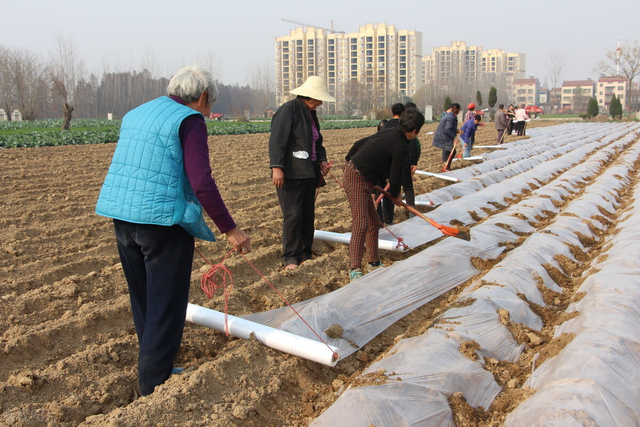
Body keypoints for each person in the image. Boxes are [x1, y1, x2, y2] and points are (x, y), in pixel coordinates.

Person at [95, 64, 251, 397]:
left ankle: (154, 367)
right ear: (203, 96)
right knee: (166, 304)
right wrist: (230, 229)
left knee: (145, 300)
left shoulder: (137, 113)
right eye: (210, 106)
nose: (208, 114)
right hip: (162, 224)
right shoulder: (189, 120)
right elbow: (202, 183)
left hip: (122, 217)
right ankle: (153, 384)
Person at [344, 108, 426, 281]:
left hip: (363, 177)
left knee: (374, 222)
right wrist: (396, 196)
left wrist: (349, 158)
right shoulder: (402, 146)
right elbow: (395, 176)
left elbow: (359, 143)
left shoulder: (388, 132)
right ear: (415, 131)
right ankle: (355, 269)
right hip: (357, 177)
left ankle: (373, 262)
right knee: (362, 222)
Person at [269, 76, 335, 269]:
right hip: (291, 173)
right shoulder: (288, 111)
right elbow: (277, 142)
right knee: (293, 215)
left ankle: (305, 252)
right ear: (310, 96)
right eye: (319, 99)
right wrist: (277, 168)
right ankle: (290, 256)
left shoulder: (310, 113)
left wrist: (321, 160)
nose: (321, 103)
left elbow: (317, 143)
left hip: (309, 172)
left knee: (307, 215)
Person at [432, 102, 461, 172]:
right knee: (450, 150)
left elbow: (450, 128)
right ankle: (446, 166)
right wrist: (454, 137)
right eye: (459, 110)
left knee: (449, 150)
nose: (459, 111)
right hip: (444, 137)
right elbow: (447, 129)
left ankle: (446, 166)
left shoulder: (451, 116)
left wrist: (456, 131)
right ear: (455, 109)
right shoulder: (450, 117)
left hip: (445, 136)